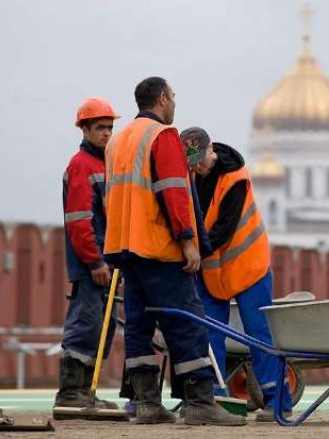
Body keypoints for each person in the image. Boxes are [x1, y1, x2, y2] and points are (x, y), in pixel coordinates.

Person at [103, 76, 245, 426]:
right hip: (158, 248)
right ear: (163, 98)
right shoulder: (162, 136)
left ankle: (148, 404)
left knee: (138, 325)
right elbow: (173, 192)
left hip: (125, 248)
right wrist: (188, 241)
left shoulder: (118, 142)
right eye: (174, 97)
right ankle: (200, 403)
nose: (175, 103)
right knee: (186, 322)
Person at [180, 126, 293, 422]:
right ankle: (214, 398)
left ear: (211, 150)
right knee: (208, 332)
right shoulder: (191, 176)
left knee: (259, 332)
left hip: (248, 265)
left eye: (201, 161)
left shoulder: (235, 179)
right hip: (213, 268)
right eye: (192, 164)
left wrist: (191, 251)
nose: (199, 168)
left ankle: (277, 401)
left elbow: (222, 230)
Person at [55, 97, 120, 411]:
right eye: (100, 128)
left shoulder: (104, 164)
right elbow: (80, 220)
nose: (106, 133)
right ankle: (70, 393)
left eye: (109, 128)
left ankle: (87, 393)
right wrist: (94, 260)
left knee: (102, 327)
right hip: (91, 264)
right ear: (84, 129)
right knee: (86, 323)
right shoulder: (82, 165)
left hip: (107, 262)